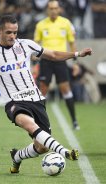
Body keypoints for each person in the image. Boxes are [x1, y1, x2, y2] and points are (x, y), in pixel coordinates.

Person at [0, 14, 92, 174]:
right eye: (8, 32)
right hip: (14, 102)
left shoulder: (26, 45)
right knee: (29, 124)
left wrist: (77, 54)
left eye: (15, 32)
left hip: (36, 99)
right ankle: (64, 152)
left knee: (41, 147)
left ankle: (17, 156)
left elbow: (53, 55)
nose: (12, 36)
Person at [34, 0, 80, 130]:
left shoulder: (66, 23)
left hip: (60, 61)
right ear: (47, 10)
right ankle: (41, 122)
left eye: (55, 8)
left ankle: (74, 121)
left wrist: (75, 63)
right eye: (51, 8)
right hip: (46, 61)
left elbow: (72, 43)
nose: (53, 10)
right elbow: (35, 44)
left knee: (65, 89)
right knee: (43, 90)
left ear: (59, 9)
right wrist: (34, 62)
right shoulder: (40, 25)